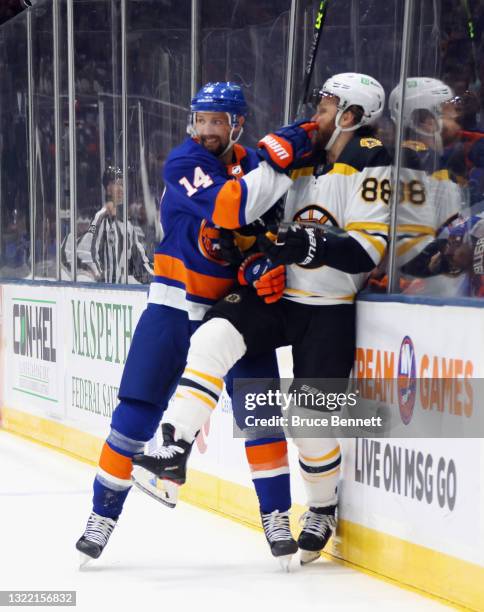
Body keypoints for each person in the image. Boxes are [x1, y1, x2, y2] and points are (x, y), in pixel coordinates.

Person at [132, 72, 391, 565]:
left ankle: (321, 506)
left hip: (328, 308)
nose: (317, 110)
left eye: (328, 104)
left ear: (351, 117)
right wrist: (252, 254)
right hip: (277, 298)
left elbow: (366, 250)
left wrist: (310, 245)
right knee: (212, 336)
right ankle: (174, 447)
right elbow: (257, 223)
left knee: (306, 421)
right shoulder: (298, 157)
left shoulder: (371, 161)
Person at [75, 82, 316, 567]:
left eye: (216, 122)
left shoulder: (254, 164)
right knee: (134, 418)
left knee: (261, 416)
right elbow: (233, 207)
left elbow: (267, 229)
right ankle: (101, 517)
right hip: (172, 307)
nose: (206, 130)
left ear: (237, 124)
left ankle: (275, 518)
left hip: (234, 314)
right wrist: (286, 151)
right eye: (201, 120)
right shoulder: (183, 162)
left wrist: (264, 263)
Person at [61, 166, 154, 284]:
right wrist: (97, 276)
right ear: (108, 188)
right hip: (100, 290)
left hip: (118, 290)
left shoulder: (127, 225)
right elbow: (86, 248)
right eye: (117, 184)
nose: (121, 189)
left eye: (123, 184)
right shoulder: (97, 218)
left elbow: (140, 259)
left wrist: (156, 277)